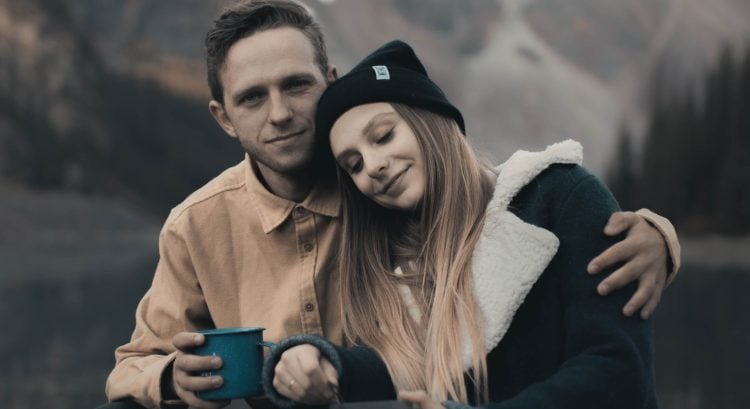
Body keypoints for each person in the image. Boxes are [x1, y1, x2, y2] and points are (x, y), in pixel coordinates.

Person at [102, 1, 679, 408]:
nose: (279, 114)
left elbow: (483, 203)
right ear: (224, 117)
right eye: (252, 98)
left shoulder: (394, 199)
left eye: (296, 85)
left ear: (329, 82)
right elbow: (134, 365)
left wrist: (656, 234)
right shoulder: (197, 226)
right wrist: (172, 378)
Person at [263, 40, 661, 409]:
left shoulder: (561, 195)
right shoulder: (401, 263)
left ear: (430, 120)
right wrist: (323, 362)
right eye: (354, 165)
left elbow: (616, 370)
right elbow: (401, 363)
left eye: (383, 136)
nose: (373, 166)